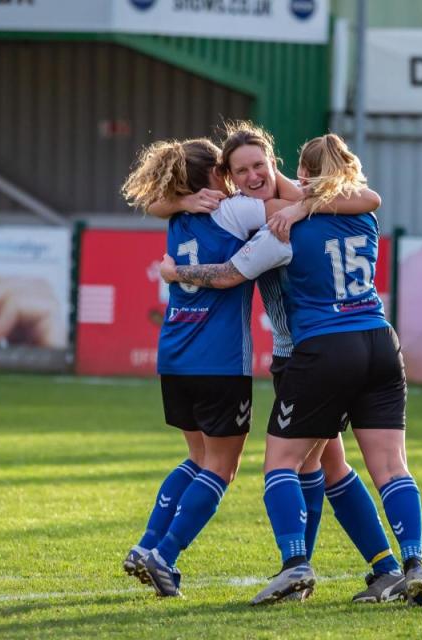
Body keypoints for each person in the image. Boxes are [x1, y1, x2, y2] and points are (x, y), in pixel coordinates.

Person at [162, 133, 422, 607]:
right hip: (377, 342)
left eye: (259, 166)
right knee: (343, 466)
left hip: (310, 355)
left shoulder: (280, 226)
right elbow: (367, 196)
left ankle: (295, 566)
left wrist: (175, 272)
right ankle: (399, 568)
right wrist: (184, 199)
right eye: (240, 170)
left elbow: (227, 274)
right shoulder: (361, 216)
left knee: (285, 464)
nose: (252, 177)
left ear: (289, 169)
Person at [120, 137, 285, 598]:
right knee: (221, 467)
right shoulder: (237, 210)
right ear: (214, 174)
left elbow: (155, 204)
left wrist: (181, 198)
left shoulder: (176, 215)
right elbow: (288, 203)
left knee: (197, 458)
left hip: (174, 353)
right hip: (219, 360)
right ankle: (164, 555)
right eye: (225, 169)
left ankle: (146, 544)